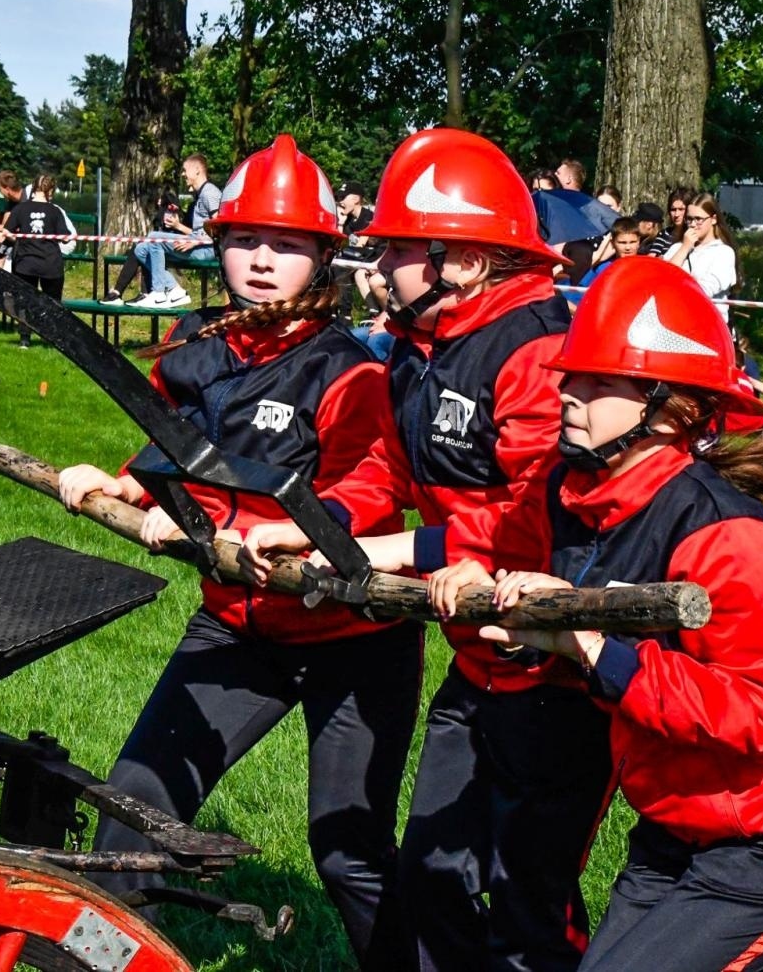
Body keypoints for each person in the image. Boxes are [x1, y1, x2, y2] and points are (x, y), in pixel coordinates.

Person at [421, 257, 763, 972]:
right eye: (572, 375)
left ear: (673, 408)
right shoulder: (568, 485)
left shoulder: (728, 537)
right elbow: (505, 551)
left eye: (601, 382)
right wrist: (481, 577)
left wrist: (596, 651)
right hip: (676, 819)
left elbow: (754, 715)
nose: (569, 394)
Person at [238, 127, 604, 972]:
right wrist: (316, 523)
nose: (377, 266)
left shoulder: (537, 348)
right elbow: (384, 470)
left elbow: (538, 512)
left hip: (559, 669)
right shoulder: (415, 347)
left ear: (461, 261)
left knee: (529, 896)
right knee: (434, 874)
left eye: (397, 249)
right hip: (474, 660)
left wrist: (404, 549)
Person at [59, 135, 417, 970]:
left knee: (348, 851)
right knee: (134, 815)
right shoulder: (194, 346)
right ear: (218, 243)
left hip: (353, 638)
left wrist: (291, 526)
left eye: (287, 245)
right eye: (247, 239)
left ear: (324, 255)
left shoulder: (345, 368)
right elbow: (172, 444)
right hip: (238, 629)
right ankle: (98, 958)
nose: (262, 260)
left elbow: (371, 485)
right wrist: (133, 487)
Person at [128, 153, 221, 309]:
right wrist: (178, 226)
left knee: (153, 238)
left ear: (197, 170)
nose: (183, 174)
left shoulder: (209, 192)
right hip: (198, 244)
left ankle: (158, 293)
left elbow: (219, 228)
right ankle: (175, 289)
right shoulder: (200, 195)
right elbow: (199, 230)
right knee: (141, 249)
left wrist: (194, 243)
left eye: (185, 170)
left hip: (206, 249)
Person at [1, 174, 77, 348]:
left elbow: (6, 231)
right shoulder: (55, 210)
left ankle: (24, 339)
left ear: (33, 188)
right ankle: (53, 338)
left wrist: (19, 240)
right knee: (53, 302)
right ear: (51, 190)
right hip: (50, 263)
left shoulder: (20, 209)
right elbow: (64, 237)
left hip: (25, 263)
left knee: (24, 300)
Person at [662, 192, 737, 322]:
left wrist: (678, 287)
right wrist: (685, 248)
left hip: (708, 325)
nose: (692, 224)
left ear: (713, 219)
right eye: (689, 219)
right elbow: (663, 279)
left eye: (699, 219)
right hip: (675, 320)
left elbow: (707, 289)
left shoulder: (724, 253)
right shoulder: (677, 248)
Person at [644, 188, 691, 257]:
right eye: (673, 210)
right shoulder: (664, 234)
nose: (676, 214)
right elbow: (651, 257)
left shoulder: (693, 234)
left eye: (681, 209)